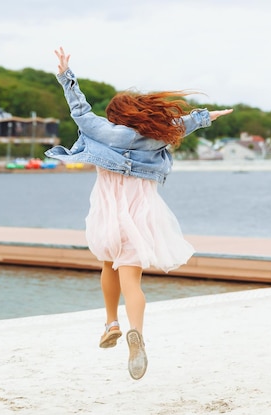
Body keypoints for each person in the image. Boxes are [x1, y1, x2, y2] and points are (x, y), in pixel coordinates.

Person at [46, 47, 233, 380]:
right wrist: (209, 115)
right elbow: (184, 124)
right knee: (132, 280)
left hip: (106, 212)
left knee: (107, 264)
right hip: (140, 214)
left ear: (115, 115)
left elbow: (79, 108)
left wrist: (66, 75)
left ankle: (110, 323)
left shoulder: (101, 131)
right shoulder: (155, 136)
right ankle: (137, 332)